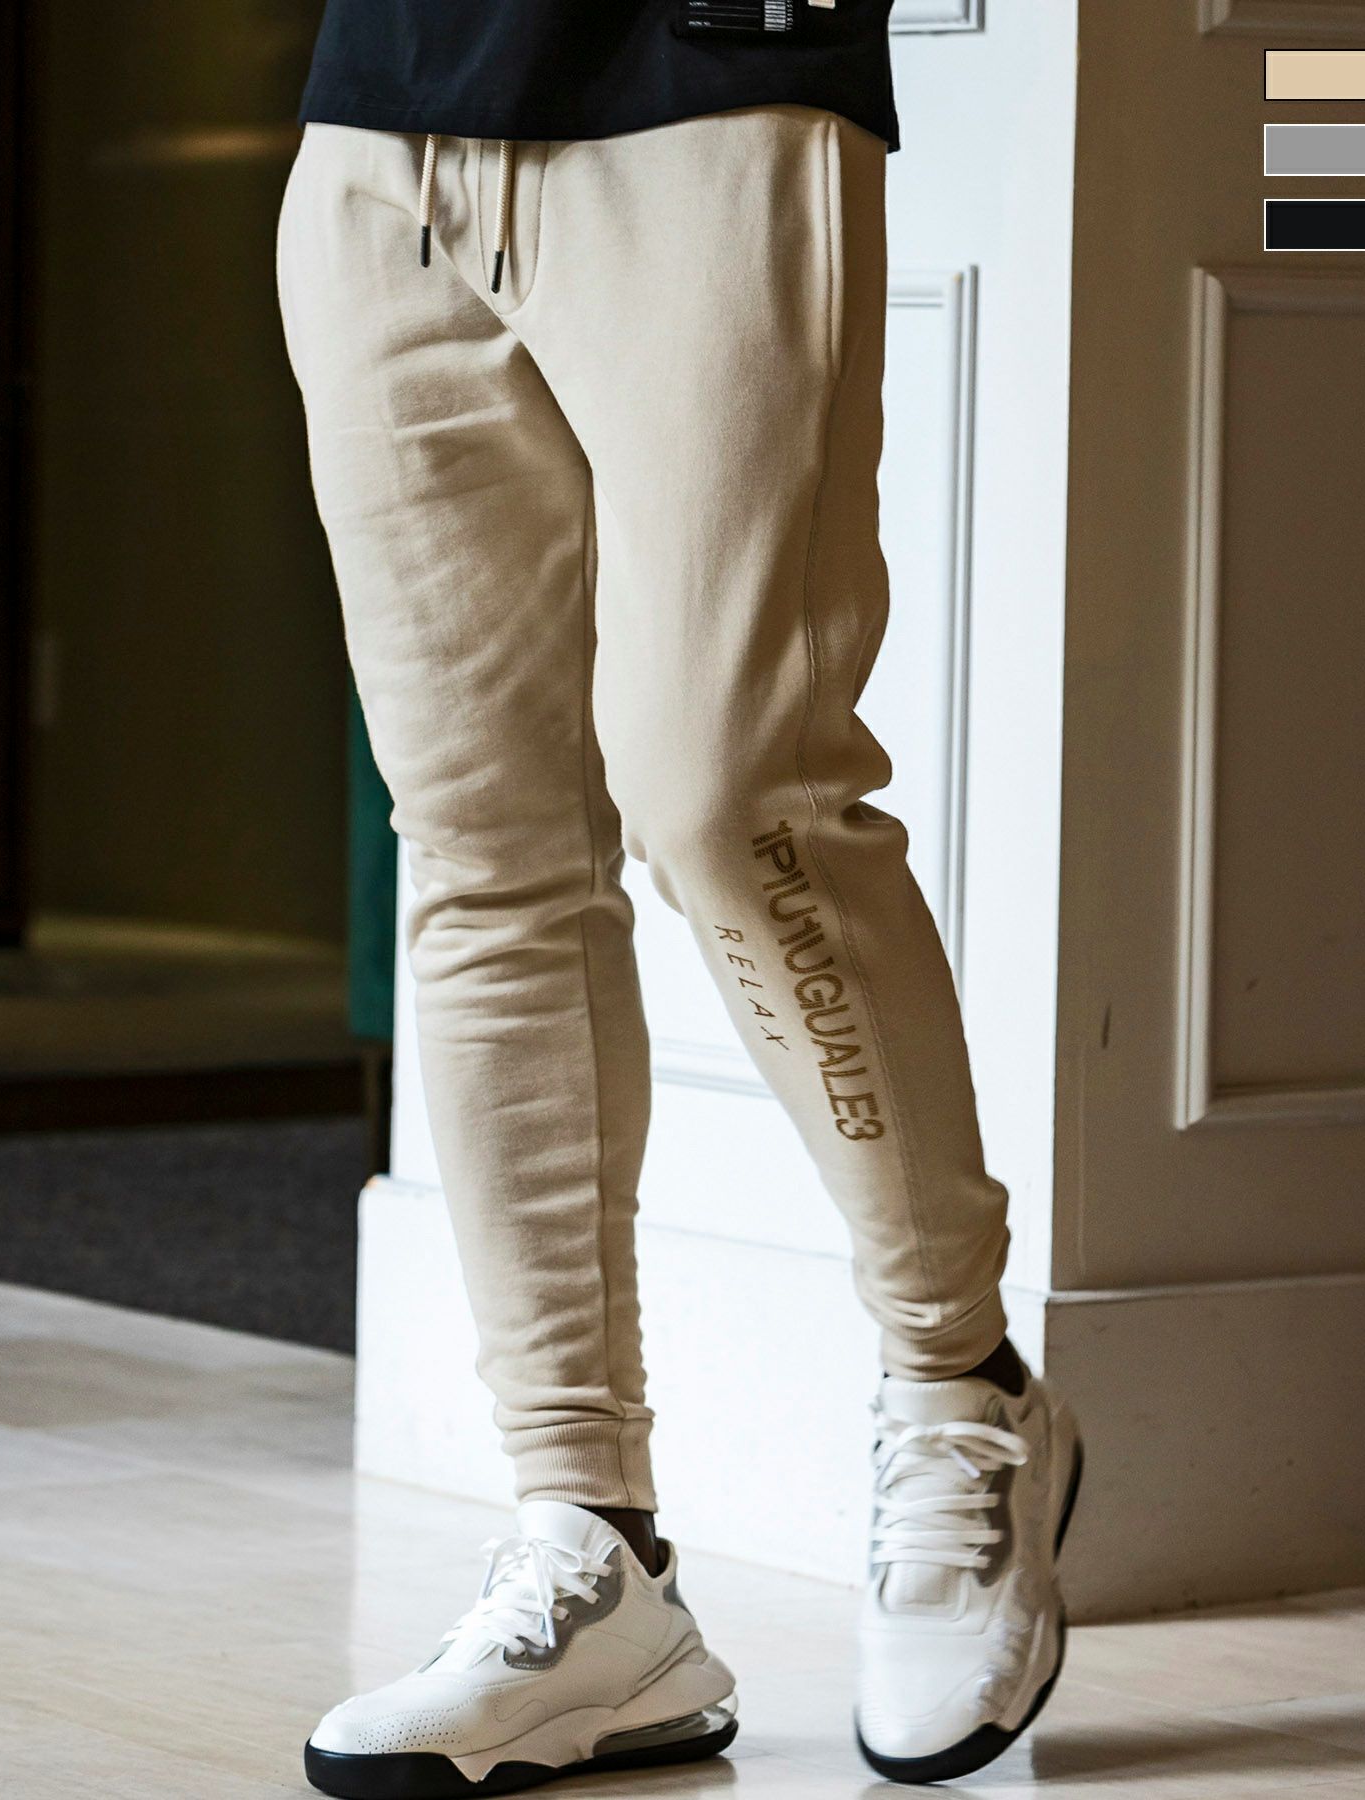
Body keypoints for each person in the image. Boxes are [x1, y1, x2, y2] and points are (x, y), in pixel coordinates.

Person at [276, 2, 1082, 1792]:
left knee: (732, 796)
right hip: (381, 135)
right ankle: (594, 1547)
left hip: (711, 88)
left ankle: (961, 1388)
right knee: (480, 852)